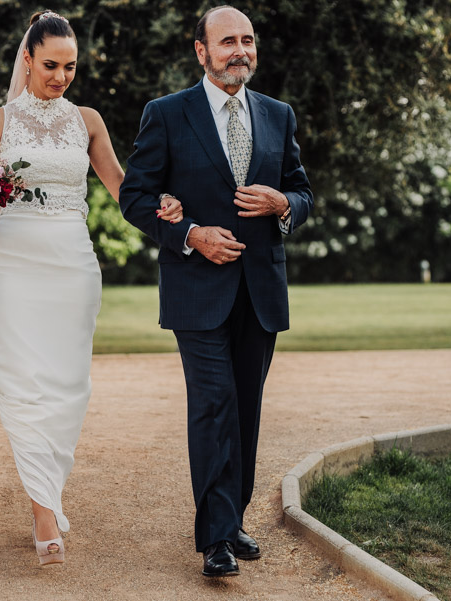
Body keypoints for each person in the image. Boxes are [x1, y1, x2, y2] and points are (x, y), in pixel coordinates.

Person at [0, 10, 182, 566]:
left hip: (71, 263)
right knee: (21, 380)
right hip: (13, 262)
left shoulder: (87, 120)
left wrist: (165, 210)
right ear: (28, 60)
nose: (61, 76)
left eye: (70, 66)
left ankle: (48, 488)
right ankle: (44, 509)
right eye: (51, 65)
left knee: (68, 384)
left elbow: (120, 186)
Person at [119, 5, 314, 578]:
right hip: (195, 291)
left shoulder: (279, 115)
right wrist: (189, 234)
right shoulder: (167, 114)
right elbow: (136, 196)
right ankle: (215, 540)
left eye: (248, 41)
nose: (240, 50)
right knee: (213, 406)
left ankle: (232, 520)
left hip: (261, 292)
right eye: (227, 41)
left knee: (246, 412)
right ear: (201, 51)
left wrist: (284, 206)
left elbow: (301, 191)